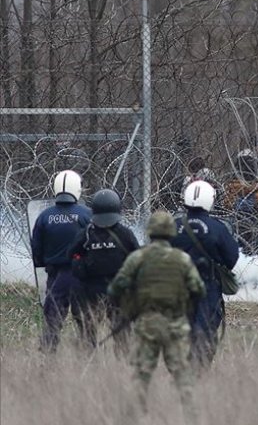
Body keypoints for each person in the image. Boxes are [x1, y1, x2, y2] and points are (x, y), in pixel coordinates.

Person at [108, 211, 205, 417]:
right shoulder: (182, 259)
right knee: (183, 377)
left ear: (150, 231)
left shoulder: (138, 258)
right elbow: (199, 289)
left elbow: (116, 287)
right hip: (176, 325)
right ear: (171, 232)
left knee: (140, 377)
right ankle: (193, 418)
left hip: (147, 324)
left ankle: (133, 418)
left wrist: (130, 304)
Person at [172, 180, 240, 370]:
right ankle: (198, 372)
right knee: (206, 332)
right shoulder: (217, 228)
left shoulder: (174, 226)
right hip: (207, 288)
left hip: (178, 287)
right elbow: (232, 258)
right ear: (210, 200)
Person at [69, 189, 140, 350]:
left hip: (90, 292)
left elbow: (71, 254)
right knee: (122, 334)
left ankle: (89, 365)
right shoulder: (125, 234)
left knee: (88, 333)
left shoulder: (86, 234)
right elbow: (137, 257)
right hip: (119, 291)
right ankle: (122, 365)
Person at [31, 170, 93, 353]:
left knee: (53, 318)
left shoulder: (44, 216)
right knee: (84, 318)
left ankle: (47, 357)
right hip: (81, 276)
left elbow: (37, 249)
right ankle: (88, 354)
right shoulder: (86, 214)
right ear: (77, 189)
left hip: (55, 275)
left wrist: (44, 263)